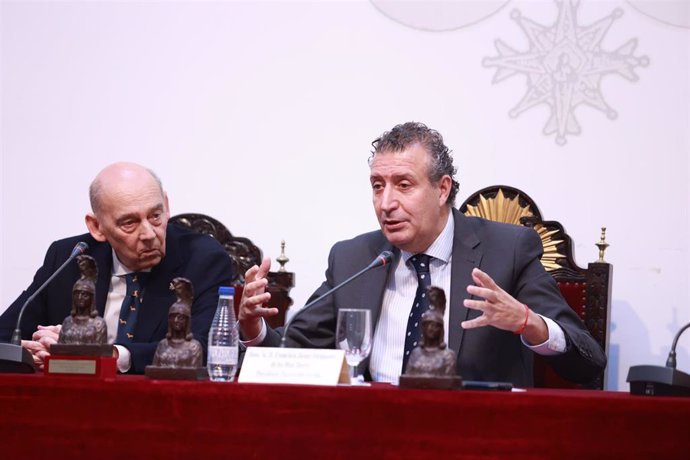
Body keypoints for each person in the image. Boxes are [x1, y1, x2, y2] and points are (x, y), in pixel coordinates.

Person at [238, 122, 606, 387]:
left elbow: (588, 360)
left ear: (442, 189)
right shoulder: (355, 258)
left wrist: (528, 321)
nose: (386, 204)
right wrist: (253, 329)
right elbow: (293, 353)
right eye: (377, 187)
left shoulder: (506, 252)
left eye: (403, 185)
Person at [0, 162, 234, 373]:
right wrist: (27, 352)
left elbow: (205, 349)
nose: (149, 234)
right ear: (97, 227)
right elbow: (8, 332)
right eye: (129, 222)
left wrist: (107, 355)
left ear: (167, 206)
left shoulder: (203, 260)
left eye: (155, 216)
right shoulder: (69, 258)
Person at [404, 286, 456, 377]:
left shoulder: (448, 356)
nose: (430, 328)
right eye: (427, 324)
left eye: (435, 325)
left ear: (441, 330)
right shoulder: (416, 354)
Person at [151, 277, 203, 368]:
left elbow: (194, 371)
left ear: (187, 321)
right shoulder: (163, 344)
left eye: (181, 318)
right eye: (173, 317)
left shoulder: (194, 347)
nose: (176, 321)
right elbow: (154, 368)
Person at [57, 254, 107, 345]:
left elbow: (100, 350)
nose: (80, 298)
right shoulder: (67, 322)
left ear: (92, 298)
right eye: (76, 294)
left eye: (84, 295)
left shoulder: (99, 324)